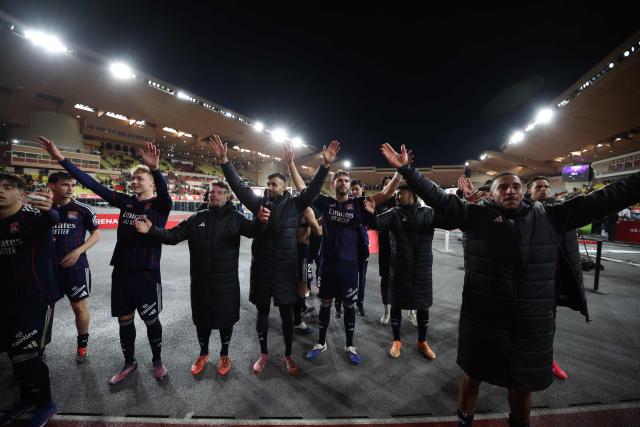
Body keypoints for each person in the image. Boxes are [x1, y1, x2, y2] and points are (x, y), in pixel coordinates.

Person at [380, 143, 640, 427]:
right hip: (483, 319)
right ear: (490, 195)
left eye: (515, 186)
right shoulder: (477, 217)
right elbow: (440, 199)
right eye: (502, 187)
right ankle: (464, 421)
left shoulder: (550, 217)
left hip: (531, 323)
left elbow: (605, 199)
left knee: (521, 387)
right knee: (472, 375)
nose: (510, 190)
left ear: (524, 191)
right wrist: (406, 170)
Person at [38, 136, 172, 384]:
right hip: (121, 271)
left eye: (139, 178)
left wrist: (154, 167)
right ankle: (129, 362)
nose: (134, 182)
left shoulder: (160, 205)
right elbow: (92, 184)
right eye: (132, 178)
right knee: (124, 320)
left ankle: (157, 360)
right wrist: (61, 159)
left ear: (152, 183)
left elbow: (164, 192)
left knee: (151, 319)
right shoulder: (126, 202)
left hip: (147, 272)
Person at [208, 135, 337, 375]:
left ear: (284, 188)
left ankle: (288, 354)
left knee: (287, 315)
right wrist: (225, 161)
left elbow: (313, 190)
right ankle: (264, 353)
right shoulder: (259, 205)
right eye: (268, 184)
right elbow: (239, 187)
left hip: (286, 270)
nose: (269, 187)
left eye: (274, 184)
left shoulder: (296, 205)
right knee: (262, 314)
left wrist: (325, 166)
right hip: (262, 270)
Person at [134, 181, 270, 377]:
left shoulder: (236, 218)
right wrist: (152, 230)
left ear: (227, 197)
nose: (213, 195)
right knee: (202, 321)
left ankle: (224, 354)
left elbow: (255, 231)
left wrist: (261, 221)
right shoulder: (196, 218)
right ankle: (203, 353)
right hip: (200, 282)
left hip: (226, 283)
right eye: (211, 192)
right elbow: (173, 236)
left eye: (218, 192)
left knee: (226, 320)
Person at [305, 169, 402, 365]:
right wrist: (290, 162)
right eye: (339, 179)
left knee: (350, 305)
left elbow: (385, 194)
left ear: (350, 185)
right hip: (327, 264)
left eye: (346, 180)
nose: (343, 182)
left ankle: (349, 345)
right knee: (325, 303)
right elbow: (303, 189)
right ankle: (321, 342)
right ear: (333, 184)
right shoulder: (326, 202)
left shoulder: (358, 204)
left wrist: (399, 174)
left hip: (349, 265)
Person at [0, 174, 59, 426]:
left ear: (22, 195)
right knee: (14, 355)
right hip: (5, 301)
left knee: (27, 356)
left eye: (7, 187)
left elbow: (51, 218)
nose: (0, 190)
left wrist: (50, 209)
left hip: (35, 299)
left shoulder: (32, 217)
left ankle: (45, 403)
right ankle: (25, 400)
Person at [364, 185, 446, 359]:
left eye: (400, 193)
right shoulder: (394, 213)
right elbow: (376, 224)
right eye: (395, 193)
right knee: (397, 304)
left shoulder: (428, 213)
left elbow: (450, 220)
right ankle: (396, 340)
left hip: (422, 268)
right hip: (399, 267)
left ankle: (422, 341)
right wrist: (370, 213)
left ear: (412, 195)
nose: (396, 196)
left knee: (423, 304)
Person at [527, 176, 590, 381]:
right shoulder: (522, 211)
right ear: (530, 191)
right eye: (539, 187)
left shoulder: (563, 210)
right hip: (528, 278)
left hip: (553, 278)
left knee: (549, 322)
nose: (544, 189)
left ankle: (548, 360)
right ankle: (514, 359)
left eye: (546, 186)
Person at [48, 172, 101, 363]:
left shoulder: (82, 209)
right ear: (52, 186)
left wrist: (78, 251)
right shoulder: (42, 210)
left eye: (72, 184)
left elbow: (96, 234)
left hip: (76, 268)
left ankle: (82, 346)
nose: (70, 188)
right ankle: (40, 345)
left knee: (79, 307)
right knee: (45, 309)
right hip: (47, 269)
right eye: (65, 185)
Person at [376, 176, 397, 325]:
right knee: (385, 280)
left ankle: (411, 311)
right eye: (385, 185)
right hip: (385, 249)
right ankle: (386, 311)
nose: (389, 186)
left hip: (401, 249)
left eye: (391, 184)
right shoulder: (379, 204)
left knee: (403, 280)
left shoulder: (400, 201)